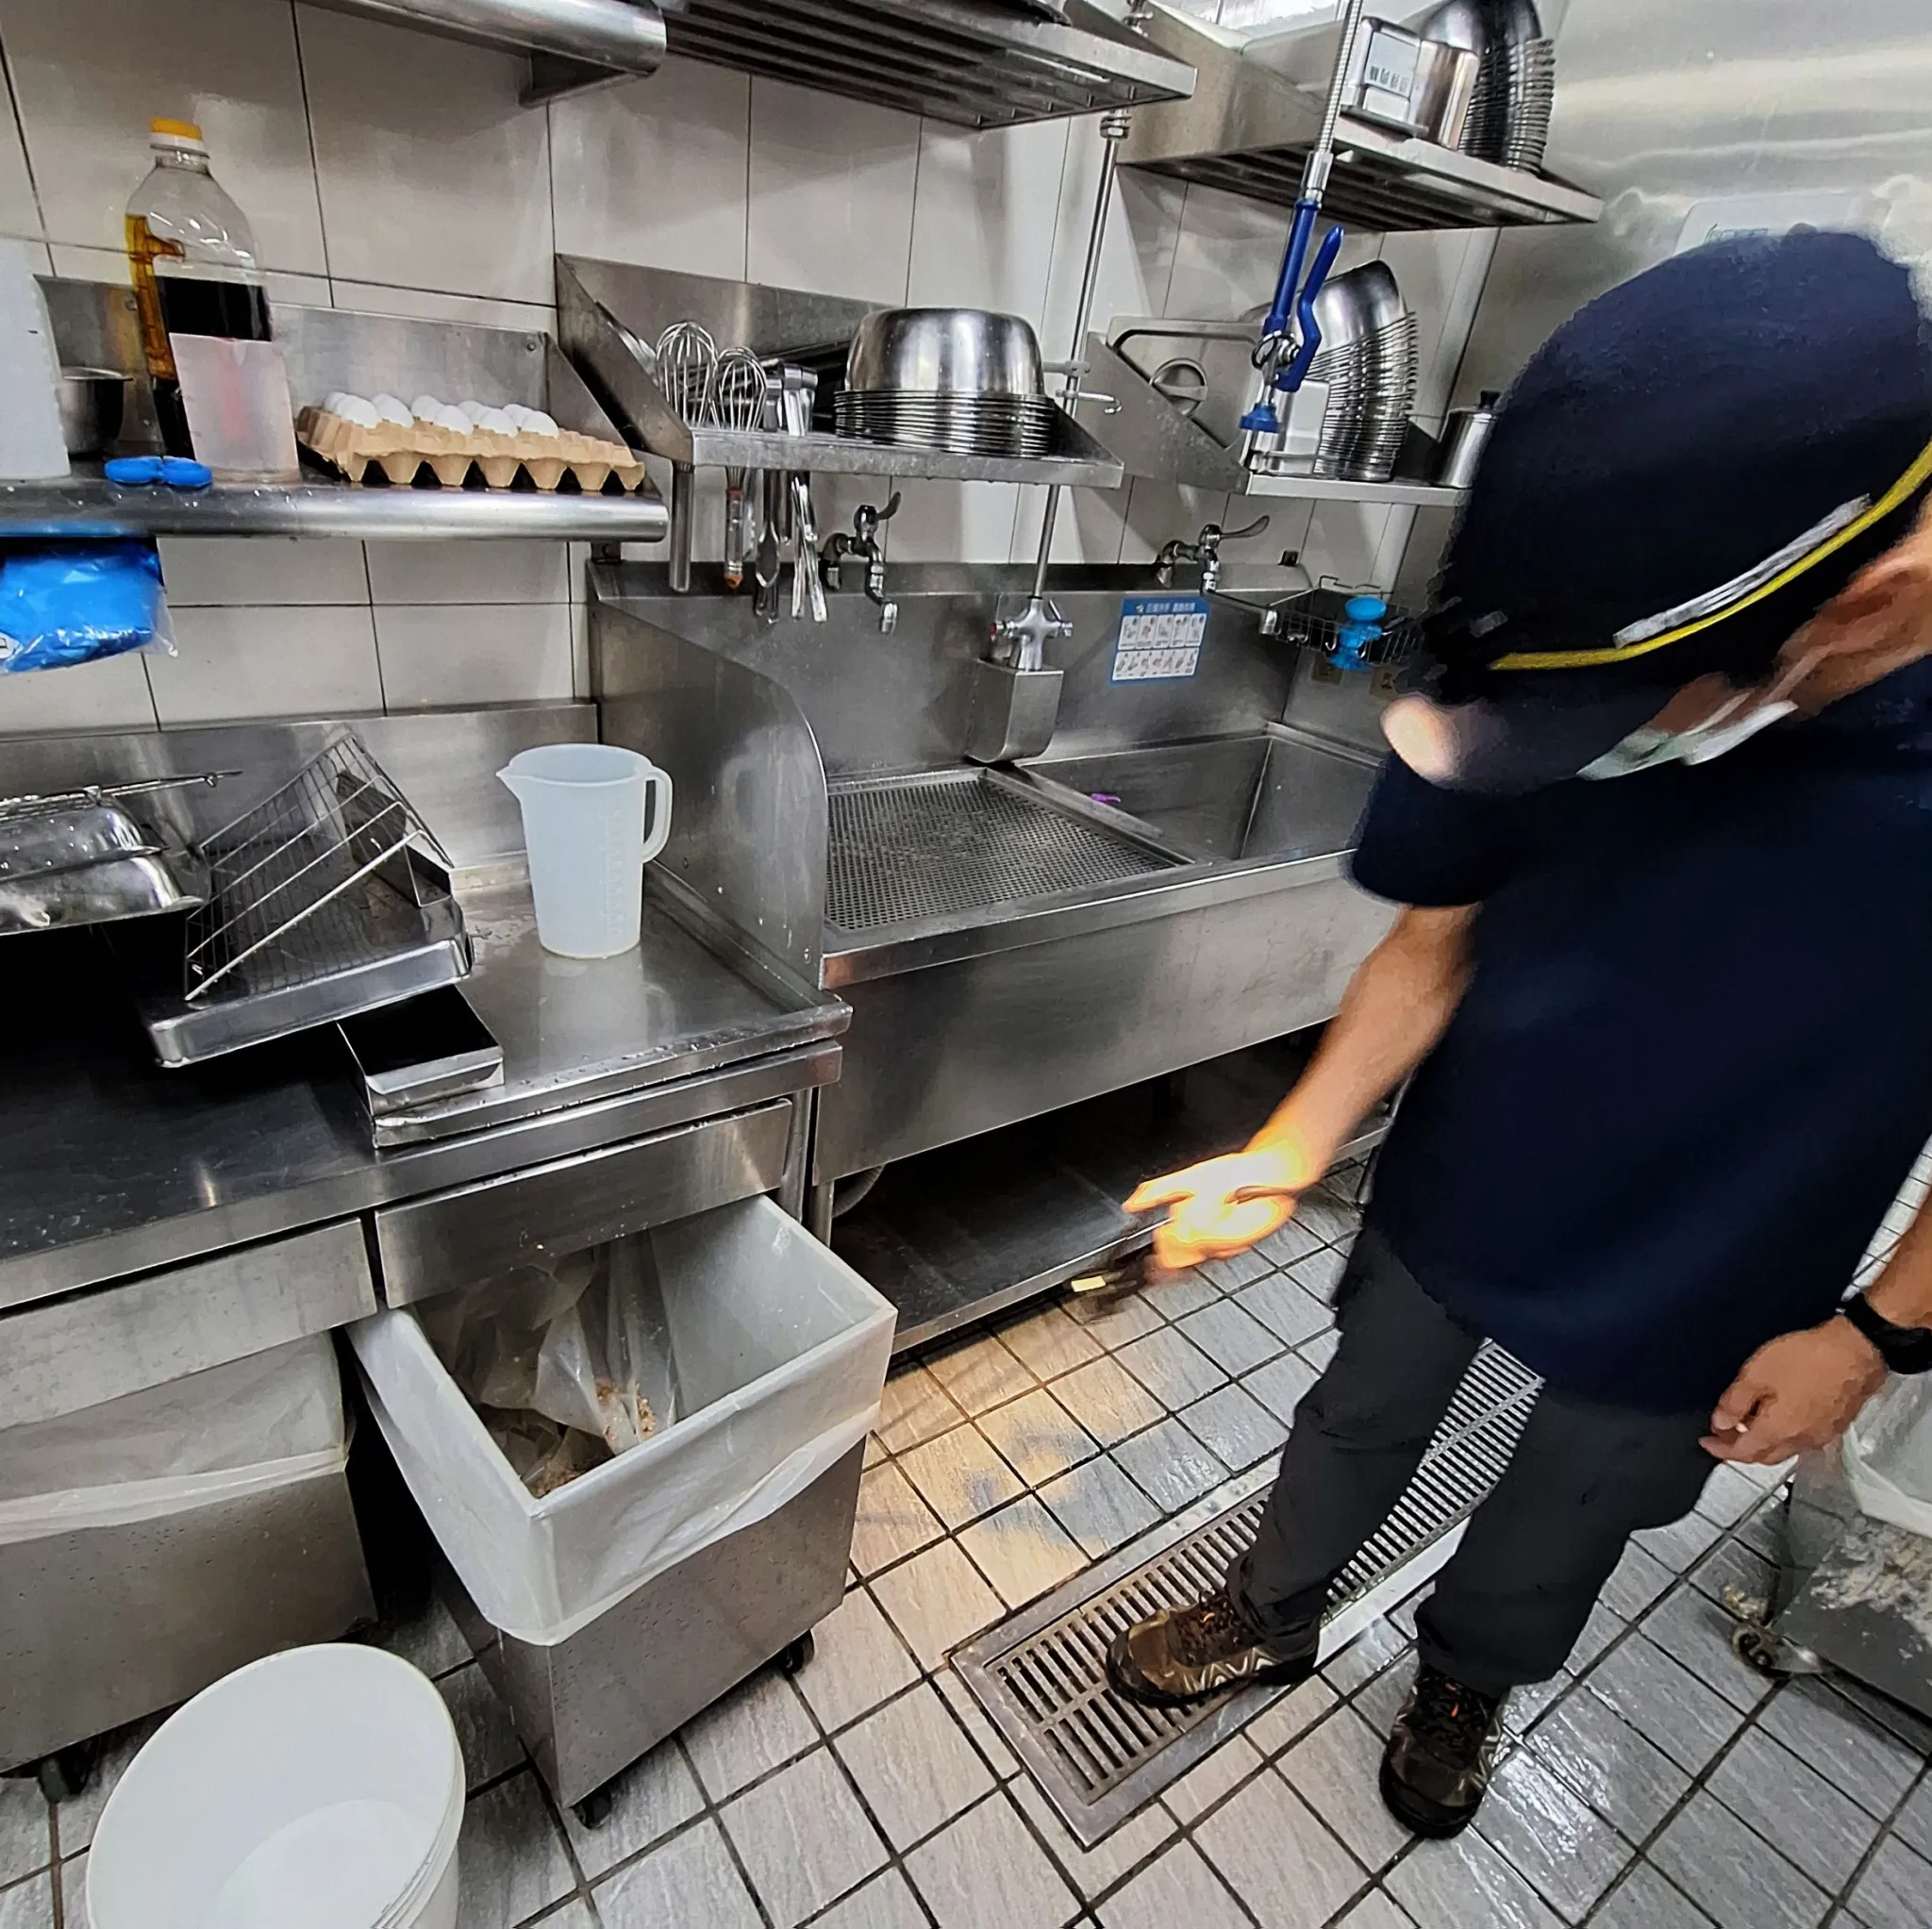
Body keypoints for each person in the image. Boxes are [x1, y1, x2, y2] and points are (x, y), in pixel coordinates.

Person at [1105, 228, 1932, 1840]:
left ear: (1865, 611)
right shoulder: (1560, 626)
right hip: (1471, 1173)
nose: (1584, 750)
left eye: (1628, 722)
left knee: (1568, 1512)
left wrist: (1875, 1336)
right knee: (1356, 1413)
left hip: (1723, 1262)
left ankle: (1467, 1679)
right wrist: (1290, 1145)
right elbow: (1436, 936)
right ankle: (1272, 1608)